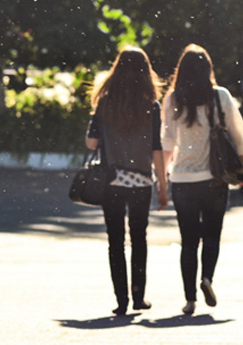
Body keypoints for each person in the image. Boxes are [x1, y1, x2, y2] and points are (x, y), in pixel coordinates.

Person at [162, 44, 243, 315]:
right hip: (214, 179)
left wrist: (163, 183)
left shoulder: (173, 99)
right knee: (212, 235)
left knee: (188, 240)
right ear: (208, 69)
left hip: (182, 180)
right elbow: (239, 136)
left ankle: (190, 299)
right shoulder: (220, 97)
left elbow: (166, 142)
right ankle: (207, 279)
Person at [85, 47, 169, 316]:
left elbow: (91, 143)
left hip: (111, 181)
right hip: (142, 182)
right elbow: (157, 148)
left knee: (115, 241)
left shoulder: (105, 103)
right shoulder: (152, 106)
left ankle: (120, 300)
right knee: (139, 239)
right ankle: (138, 297)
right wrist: (163, 185)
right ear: (146, 72)